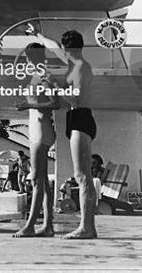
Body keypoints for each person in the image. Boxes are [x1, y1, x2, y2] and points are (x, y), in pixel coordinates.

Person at [28, 24, 97, 239]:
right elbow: (54, 45)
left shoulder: (80, 68)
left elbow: (75, 98)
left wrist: (57, 88)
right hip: (76, 118)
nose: (61, 53)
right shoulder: (73, 60)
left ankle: (87, 228)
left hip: (81, 116)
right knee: (82, 174)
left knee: (83, 175)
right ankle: (88, 227)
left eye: (64, 50)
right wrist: (37, 34)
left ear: (69, 50)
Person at [13, 43, 60, 237]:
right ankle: (47, 225)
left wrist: (27, 105)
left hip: (42, 130)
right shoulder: (36, 75)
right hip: (35, 129)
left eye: (27, 57)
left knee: (37, 180)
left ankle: (30, 224)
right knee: (40, 181)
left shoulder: (44, 76)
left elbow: (55, 103)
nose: (25, 61)